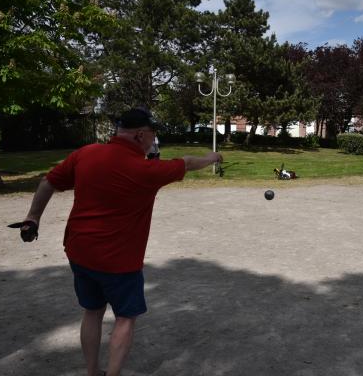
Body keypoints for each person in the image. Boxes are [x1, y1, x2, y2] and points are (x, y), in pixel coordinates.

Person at [13, 108, 222, 376]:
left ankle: (92, 371)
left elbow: (48, 182)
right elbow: (188, 162)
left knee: (92, 311)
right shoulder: (147, 170)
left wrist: (33, 217)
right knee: (125, 318)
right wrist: (212, 157)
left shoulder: (85, 154)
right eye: (152, 135)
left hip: (80, 252)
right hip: (119, 261)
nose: (152, 141)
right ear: (140, 134)